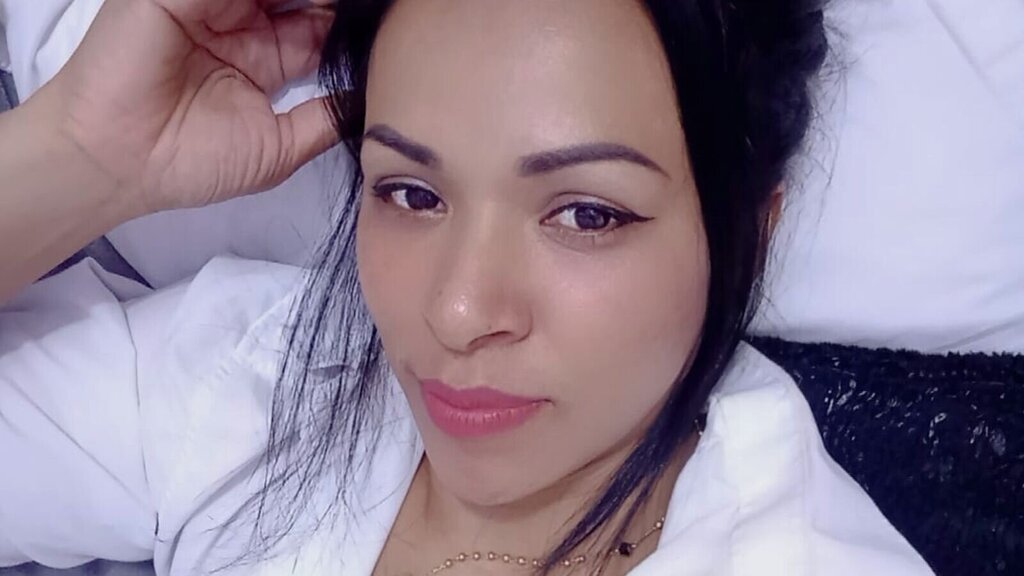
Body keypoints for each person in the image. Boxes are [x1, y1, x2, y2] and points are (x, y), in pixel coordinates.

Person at [0, 1, 933, 575]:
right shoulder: (252, 382)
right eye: (411, 193)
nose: (455, 312)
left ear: (749, 232)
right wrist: (85, 154)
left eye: (586, 214)